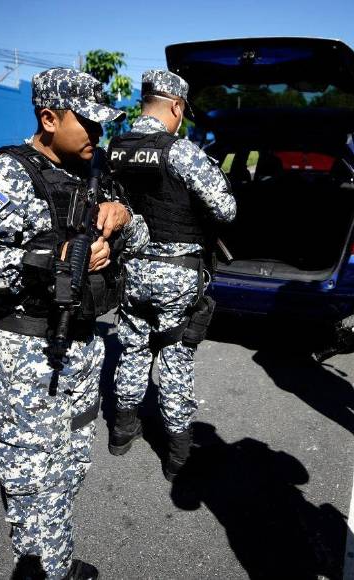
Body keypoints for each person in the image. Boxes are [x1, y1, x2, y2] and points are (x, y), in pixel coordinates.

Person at [0, 68, 149, 579]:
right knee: (30, 477)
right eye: (87, 122)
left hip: (83, 345)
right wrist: (50, 262)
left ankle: (55, 560)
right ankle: (42, 569)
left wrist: (124, 218)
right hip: (28, 353)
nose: (97, 133)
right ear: (49, 119)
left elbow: (141, 238)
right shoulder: (6, 175)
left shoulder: (94, 169)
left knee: (72, 464)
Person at [107, 70, 236, 480]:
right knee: (175, 357)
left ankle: (122, 432)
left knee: (132, 348)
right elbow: (226, 210)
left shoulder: (115, 148)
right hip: (176, 275)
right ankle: (178, 455)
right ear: (176, 107)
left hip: (131, 269)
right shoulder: (180, 152)